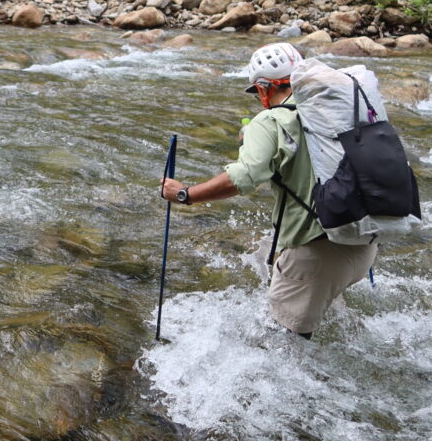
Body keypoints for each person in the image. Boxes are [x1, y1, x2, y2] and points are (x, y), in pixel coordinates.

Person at [160, 42, 378, 339]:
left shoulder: (271, 120)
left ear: (264, 87)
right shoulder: (339, 108)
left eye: (258, 92)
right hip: (364, 244)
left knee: (283, 349)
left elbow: (243, 177)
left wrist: (185, 193)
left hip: (317, 256)